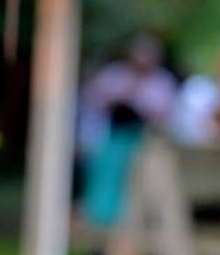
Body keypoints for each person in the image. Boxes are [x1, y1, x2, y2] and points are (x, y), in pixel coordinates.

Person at [76, 36, 178, 227]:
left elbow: (165, 115)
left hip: (144, 142)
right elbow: (95, 101)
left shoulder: (161, 81)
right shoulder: (115, 75)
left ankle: (129, 220)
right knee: (106, 174)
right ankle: (100, 218)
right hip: (113, 138)